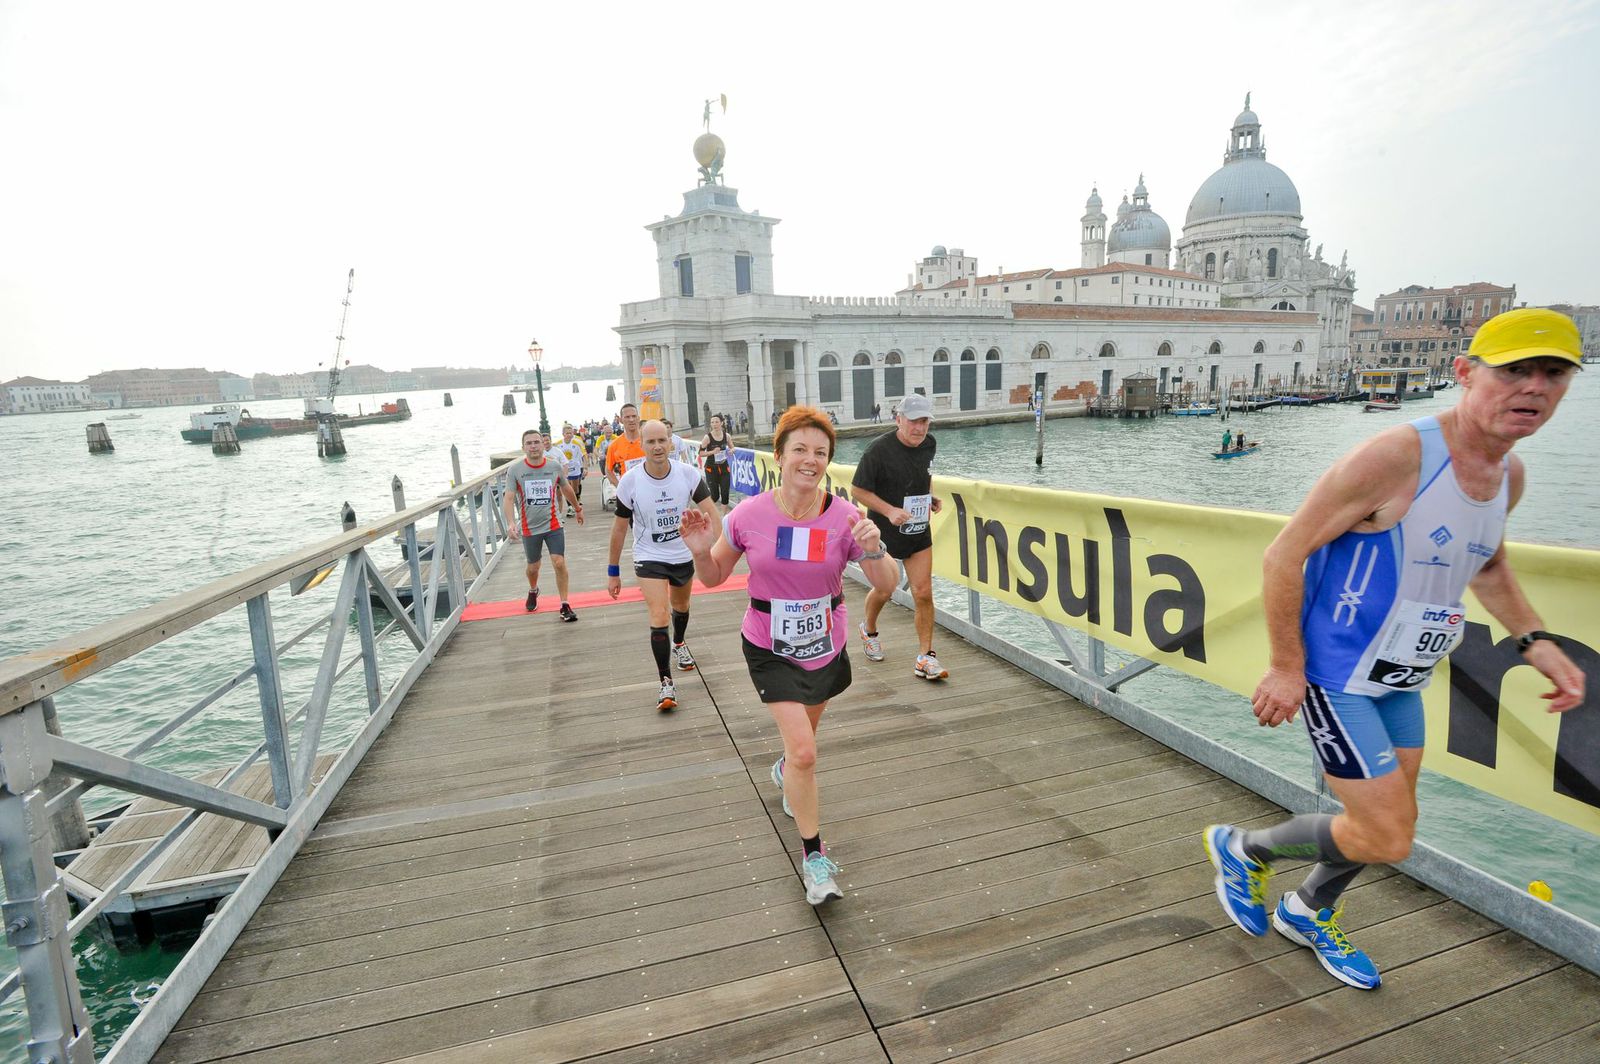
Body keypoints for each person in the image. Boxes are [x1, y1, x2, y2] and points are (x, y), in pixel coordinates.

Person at [1206, 308, 1586, 991]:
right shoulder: (1397, 456)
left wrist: (1537, 643)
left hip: (1401, 677)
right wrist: (1287, 667)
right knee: (1388, 835)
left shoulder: (1510, 476)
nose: (1533, 387)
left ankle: (1308, 910)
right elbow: (1283, 555)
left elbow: (1490, 567)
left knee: (1390, 816)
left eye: (1554, 373)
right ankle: (1243, 849)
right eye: (1514, 371)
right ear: (1465, 374)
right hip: (1335, 672)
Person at [680, 405, 900, 906]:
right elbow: (713, 578)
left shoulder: (848, 518)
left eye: (820, 452)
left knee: (803, 745)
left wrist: (874, 550)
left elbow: (889, 585)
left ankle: (786, 773)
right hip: (767, 644)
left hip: (824, 644)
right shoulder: (748, 515)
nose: (810, 459)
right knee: (805, 750)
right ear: (779, 456)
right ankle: (815, 859)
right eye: (799, 449)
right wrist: (698, 550)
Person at [607, 419, 720, 712]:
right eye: (651, 442)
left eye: (662, 441)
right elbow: (619, 529)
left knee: (680, 609)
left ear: (670, 442)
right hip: (648, 556)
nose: (657, 447)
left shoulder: (688, 475)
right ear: (641, 445)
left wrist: (718, 550)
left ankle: (679, 644)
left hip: (682, 554)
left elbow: (713, 513)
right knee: (658, 613)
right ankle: (665, 682)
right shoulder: (630, 481)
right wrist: (613, 571)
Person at [850, 393, 946, 679]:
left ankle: (925, 657)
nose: (919, 428)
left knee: (924, 592)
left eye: (925, 421)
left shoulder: (929, 443)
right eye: (914, 421)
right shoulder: (877, 450)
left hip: (917, 528)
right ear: (898, 419)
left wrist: (929, 497)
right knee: (885, 590)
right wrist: (889, 510)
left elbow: (924, 473)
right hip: (884, 531)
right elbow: (858, 490)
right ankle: (868, 630)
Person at [503, 428, 583, 622]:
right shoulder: (515, 470)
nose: (533, 446)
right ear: (523, 448)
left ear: (543, 445)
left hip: (553, 524)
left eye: (536, 442)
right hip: (530, 527)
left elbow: (565, 488)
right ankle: (533, 589)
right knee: (533, 567)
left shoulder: (554, 466)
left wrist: (578, 508)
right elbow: (509, 497)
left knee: (559, 562)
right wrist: (511, 523)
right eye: (529, 443)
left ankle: (564, 604)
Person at [605, 403, 645, 485]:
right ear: (621, 420)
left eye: (634, 416)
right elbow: (608, 470)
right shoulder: (614, 445)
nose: (631, 419)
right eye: (627, 417)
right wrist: (620, 487)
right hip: (629, 492)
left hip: (651, 489)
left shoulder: (649, 439)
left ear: (638, 418)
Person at [554, 424, 588, 517]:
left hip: (576, 467)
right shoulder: (558, 444)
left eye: (571, 433)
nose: (569, 435)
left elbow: (584, 455)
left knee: (575, 488)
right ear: (563, 434)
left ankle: (576, 500)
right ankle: (570, 507)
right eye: (567, 433)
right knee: (566, 487)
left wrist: (585, 467)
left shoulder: (577, 442)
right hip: (564, 468)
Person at [700, 413, 734, 506]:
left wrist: (731, 450)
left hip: (724, 467)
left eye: (716, 422)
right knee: (715, 496)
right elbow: (701, 453)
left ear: (721, 423)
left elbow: (732, 447)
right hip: (711, 468)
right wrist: (712, 452)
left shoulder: (727, 436)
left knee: (725, 493)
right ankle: (708, 511)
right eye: (712, 422)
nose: (714, 424)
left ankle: (723, 518)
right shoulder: (707, 437)